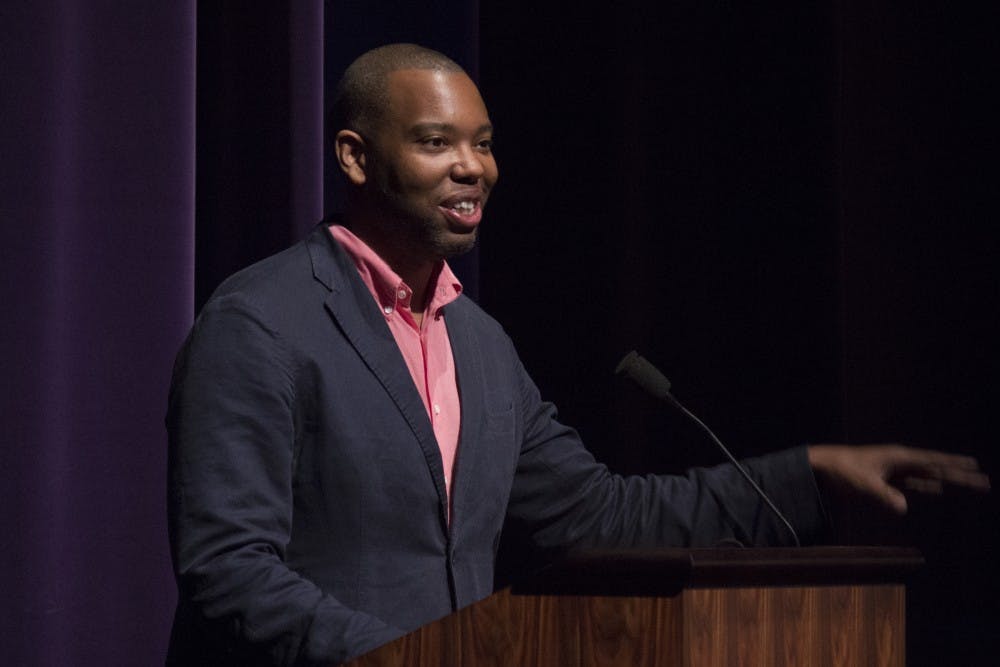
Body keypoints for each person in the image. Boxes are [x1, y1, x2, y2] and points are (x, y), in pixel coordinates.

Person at [165, 43, 989, 666]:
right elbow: (230, 570)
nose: (472, 167)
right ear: (355, 155)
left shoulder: (478, 342)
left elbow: (602, 518)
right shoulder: (261, 323)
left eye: (484, 143)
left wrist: (810, 473)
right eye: (436, 142)